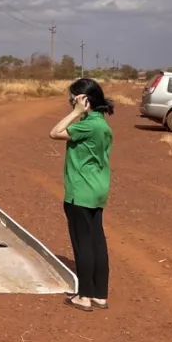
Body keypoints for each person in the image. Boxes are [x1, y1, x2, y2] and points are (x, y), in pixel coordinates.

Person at [49, 77, 114, 312]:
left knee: (83, 242)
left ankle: (84, 295)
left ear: (84, 99)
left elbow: (54, 133)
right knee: (97, 240)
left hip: (81, 191)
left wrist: (76, 112)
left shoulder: (87, 125)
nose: (70, 101)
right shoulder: (102, 124)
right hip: (98, 189)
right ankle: (99, 294)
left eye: (73, 97)